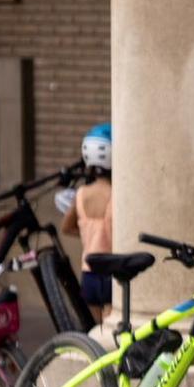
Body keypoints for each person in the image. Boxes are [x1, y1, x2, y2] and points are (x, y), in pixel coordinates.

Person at [61, 123, 116, 325]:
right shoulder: (116, 195)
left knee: (96, 331)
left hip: (89, 273)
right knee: (113, 334)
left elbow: (66, 227)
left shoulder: (81, 194)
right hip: (113, 272)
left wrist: (88, 234)